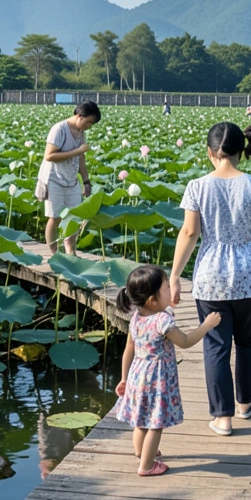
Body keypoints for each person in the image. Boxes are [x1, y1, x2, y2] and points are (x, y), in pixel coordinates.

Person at [169, 122, 251, 436]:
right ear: (241, 152)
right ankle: (246, 404)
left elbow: (189, 233)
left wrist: (173, 277)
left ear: (210, 152)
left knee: (215, 344)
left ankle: (222, 417)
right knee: (250, 341)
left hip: (210, 275)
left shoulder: (197, 186)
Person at [113, 265, 222, 476]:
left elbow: (129, 348)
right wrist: (207, 325)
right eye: (165, 288)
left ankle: (140, 452)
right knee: (156, 423)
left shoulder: (136, 317)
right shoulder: (162, 321)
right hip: (157, 379)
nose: (170, 291)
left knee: (141, 419)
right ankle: (147, 465)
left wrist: (124, 378)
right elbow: (186, 341)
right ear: (153, 300)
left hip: (137, 376)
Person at [36, 101, 101, 253]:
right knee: (55, 217)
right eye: (88, 123)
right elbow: (49, 156)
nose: (88, 127)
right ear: (79, 116)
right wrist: (77, 151)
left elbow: (81, 159)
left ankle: (70, 253)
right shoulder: (59, 129)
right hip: (53, 179)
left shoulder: (80, 132)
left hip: (71, 180)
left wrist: (86, 181)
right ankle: (54, 255)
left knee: (73, 218)